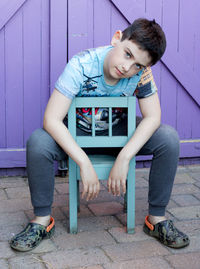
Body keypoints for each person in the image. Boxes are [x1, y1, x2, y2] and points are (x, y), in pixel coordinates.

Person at [10, 18, 190, 252]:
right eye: (127, 54)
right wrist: (83, 163)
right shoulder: (81, 64)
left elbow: (153, 117)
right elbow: (51, 119)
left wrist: (124, 157)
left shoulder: (141, 74)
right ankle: (42, 221)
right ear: (117, 38)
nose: (128, 67)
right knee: (38, 141)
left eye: (137, 65)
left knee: (168, 137)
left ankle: (156, 219)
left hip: (118, 136)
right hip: (77, 136)